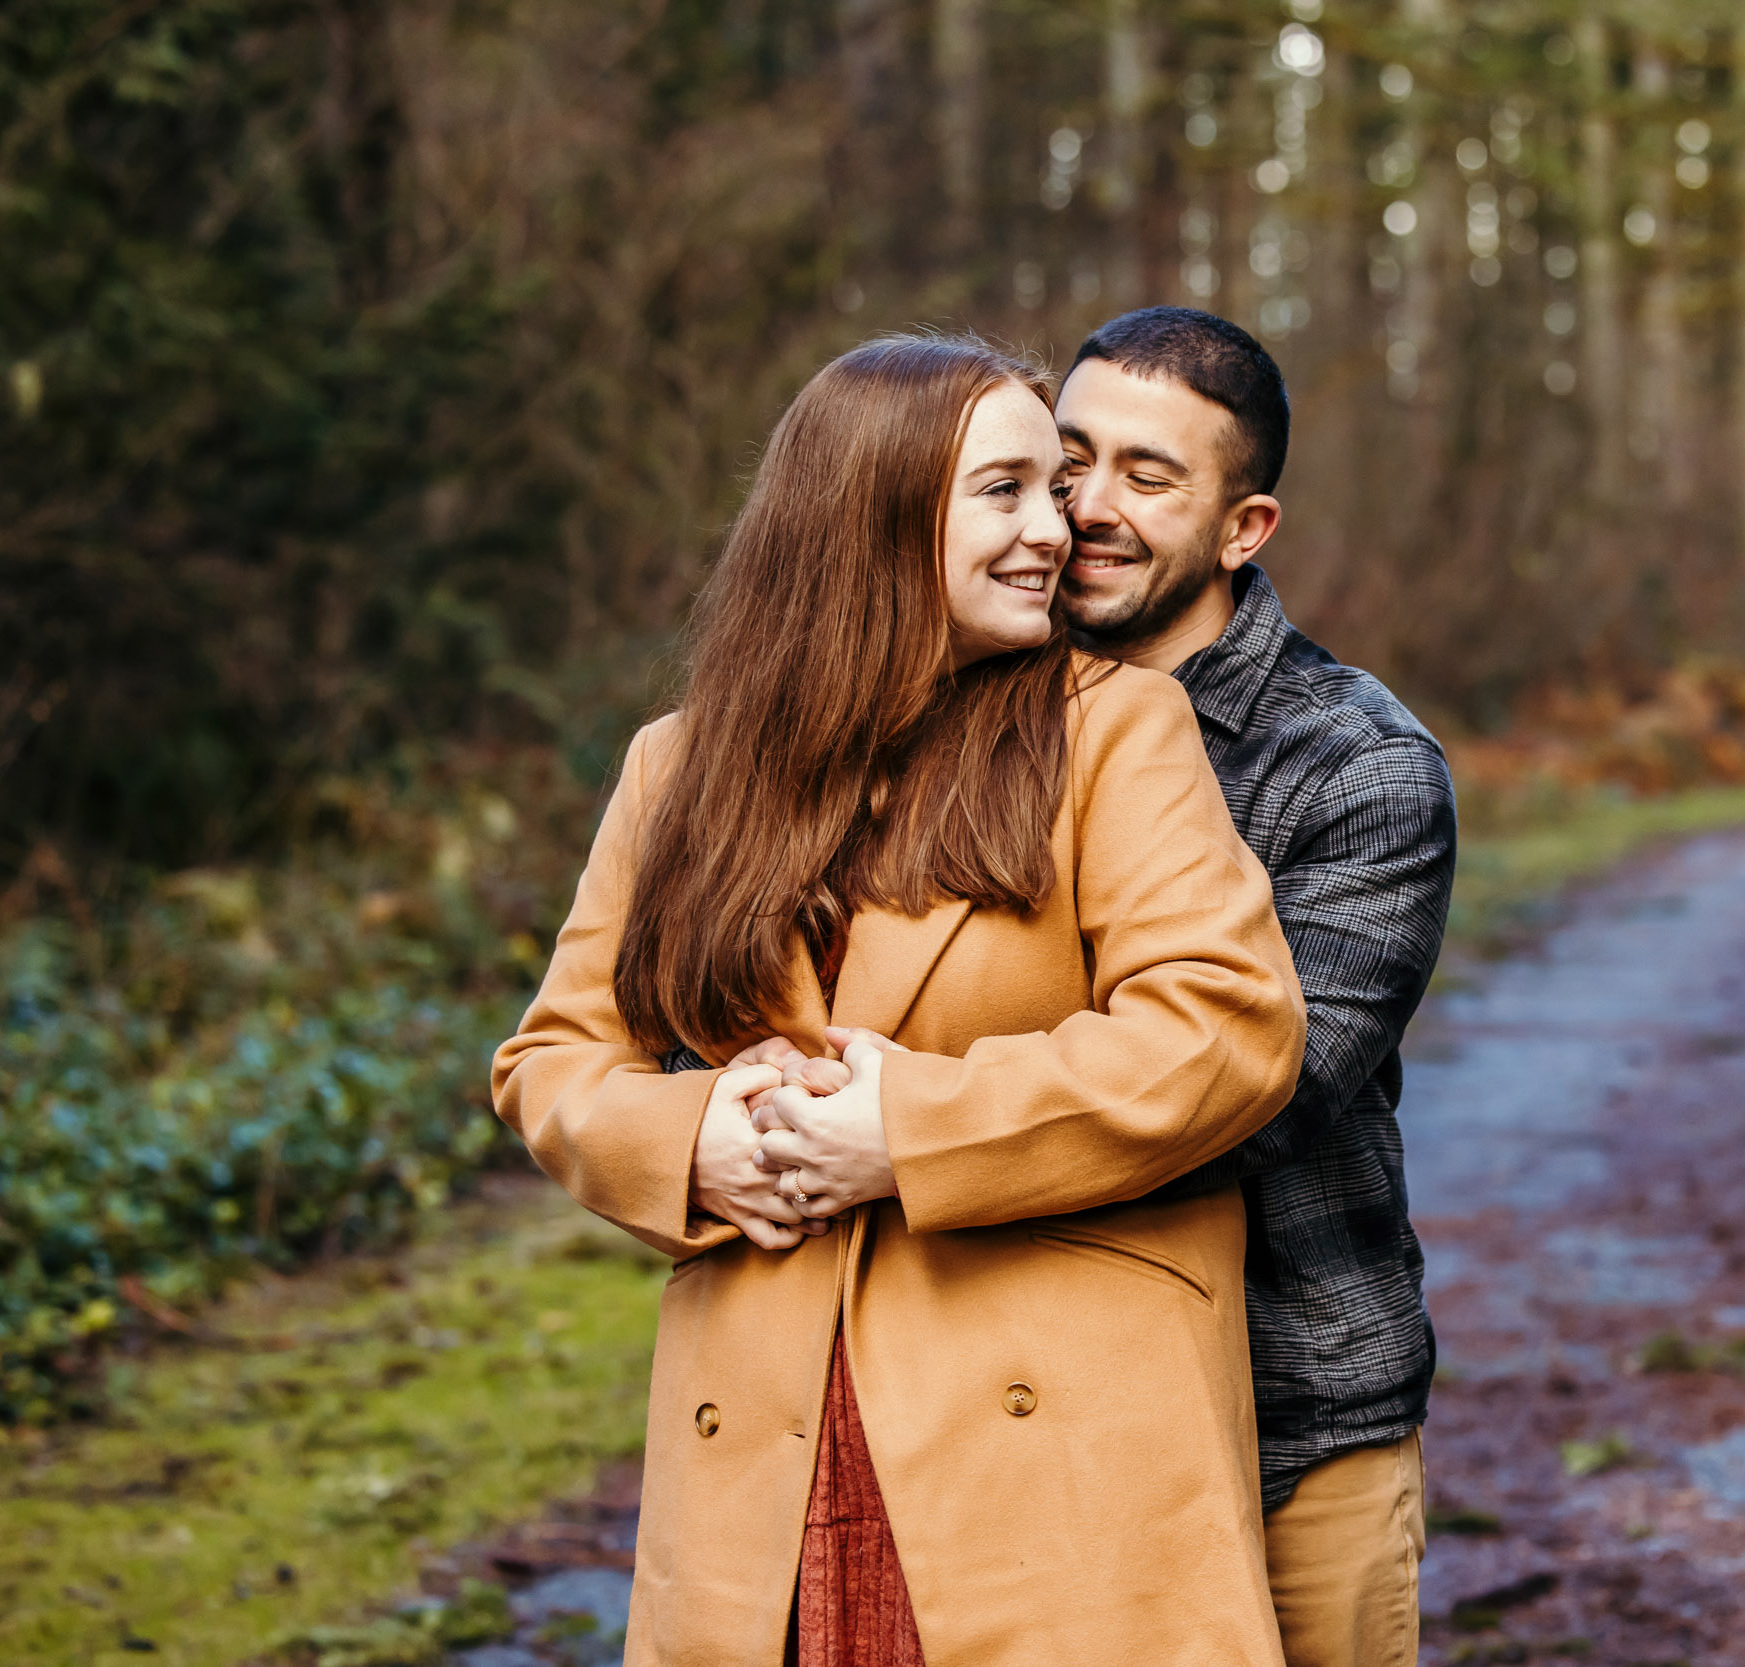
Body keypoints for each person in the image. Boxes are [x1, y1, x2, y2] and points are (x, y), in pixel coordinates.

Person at [490, 334, 1307, 1666]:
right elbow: (557, 1055)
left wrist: (908, 1128)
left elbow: (1226, 1029)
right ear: (868, 513)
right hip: (767, 1434)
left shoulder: (1114, 727)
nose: (1058, 529)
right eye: (1008, 491)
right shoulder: (677, 766)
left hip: (1050, 1439)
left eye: (1059, 488)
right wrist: (692, 1140)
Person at [1059, 308, 1455, 1666]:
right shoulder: (973, 717)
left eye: (1147, 476)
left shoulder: (1358, 767)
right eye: (1070, 458)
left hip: (1292, 1411)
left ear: (1246, 527)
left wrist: (899, 1128)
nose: (1088, 509)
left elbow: (1248, 1096)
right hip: (1029, 1394)